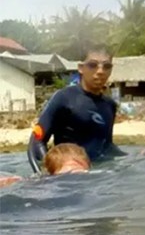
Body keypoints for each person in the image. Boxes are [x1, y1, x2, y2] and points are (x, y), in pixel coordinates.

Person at [27, 46, 124, 174]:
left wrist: (135, 158)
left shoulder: (109, 105)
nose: (100, 71)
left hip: (98, 176)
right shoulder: (63, 97)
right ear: (80, 68)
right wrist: (45, 177)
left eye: (106, 66)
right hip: (68, 177)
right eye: (92, 65)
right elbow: (36, 143)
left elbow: (107, 146)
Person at [1, 143, 91, 188]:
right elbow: (17, 180)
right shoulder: (42, 183)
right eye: (66, 175)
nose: (76, 180)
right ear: (50, 175)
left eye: (82, 174)